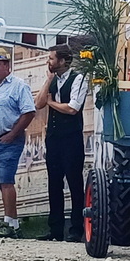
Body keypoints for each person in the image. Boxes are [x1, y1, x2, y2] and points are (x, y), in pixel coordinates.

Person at [36, 44, 90, 241]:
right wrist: (48, 81)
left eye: (51, 58)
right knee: (54, 182)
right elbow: (38, 103)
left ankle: (76, 228)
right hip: (54, 137)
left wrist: (51, 103)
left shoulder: (78, 78)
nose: (48, 62)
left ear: (62, 60)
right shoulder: (53, 80)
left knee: (74, 182)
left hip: (71, 137)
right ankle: (55, 229)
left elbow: (73, 108)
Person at [0, 48, 36, 238]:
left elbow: (29, 112)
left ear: (7, 65)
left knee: (6, 181)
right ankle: (10, 221)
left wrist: (13, 134)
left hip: (10, 138)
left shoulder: (18, 85)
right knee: (0, 182)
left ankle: (11, 224)